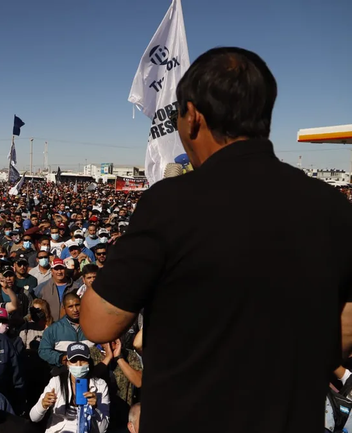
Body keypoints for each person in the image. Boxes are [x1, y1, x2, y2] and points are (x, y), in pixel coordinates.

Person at [80, 47, 352, 433]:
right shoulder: (335, 208)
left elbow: (98, 323)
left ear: (193, 116)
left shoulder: (171, 203)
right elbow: (342, 330)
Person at [30, 342, 110, 432]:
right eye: (74, 361)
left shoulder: (100, 385)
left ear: (89, 362)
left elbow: (103, 429)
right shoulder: (56, 382)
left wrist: (95, 409)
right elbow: (33, 418)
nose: (78, 365)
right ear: (67, 363)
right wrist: (43, 405)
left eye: (83, 360)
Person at [38, 293, 90, 368]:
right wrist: (60, 358)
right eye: (70, 307)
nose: (75, 310)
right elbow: (43, 351)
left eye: (77, 305)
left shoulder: (92, 326)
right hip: (63, 371)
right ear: (64, 308)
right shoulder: (53, 329)